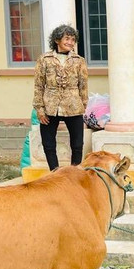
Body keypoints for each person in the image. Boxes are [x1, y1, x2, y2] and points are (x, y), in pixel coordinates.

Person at [33, 24, 89, 170]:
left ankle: (74, 171)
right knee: (48, 143)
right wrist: (39, 109)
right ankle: (55, 172)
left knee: (77, 143)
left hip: (74, 105)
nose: (70, 42)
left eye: (73, 39)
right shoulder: (44, 59)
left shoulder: (79, 60)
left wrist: (84, 104)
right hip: (50, 106)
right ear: (57, 40)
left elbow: (83, 85)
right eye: (67, 39)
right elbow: (39, 85)